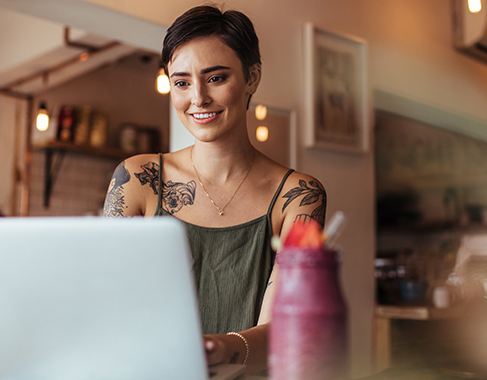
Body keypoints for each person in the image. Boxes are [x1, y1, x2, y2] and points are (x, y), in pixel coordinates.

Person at [102, 4, 327, 374]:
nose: (198, 98)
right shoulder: (137, 179)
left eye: (216, 78)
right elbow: (105, 299)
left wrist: (224, 348)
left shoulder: (299, 196)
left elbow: (288, 327)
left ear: (252, 77)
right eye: (181, 82)